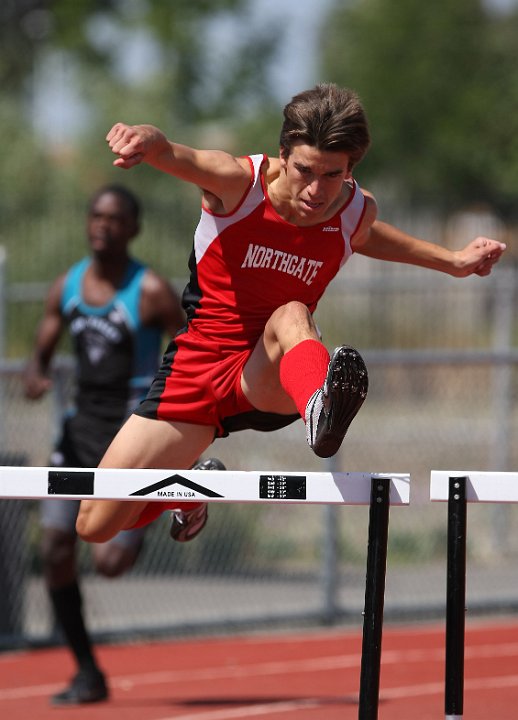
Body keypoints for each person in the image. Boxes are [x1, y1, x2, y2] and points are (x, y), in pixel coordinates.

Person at [75, 82, 506, 547]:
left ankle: (319, 406)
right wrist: (144, 138)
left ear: (350, 169)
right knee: (95, 524)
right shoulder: (237, 183)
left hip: (273, 376)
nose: (317, 190)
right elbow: (175, 153)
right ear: (284, 154)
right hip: (197, 370)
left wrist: (453, 261)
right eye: (305, 170)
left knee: (291, 313)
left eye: (333, 175)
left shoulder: (353, 211)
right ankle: (189, 490)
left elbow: (372, 237)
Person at [24, 185, 224, 705]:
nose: (102, 226)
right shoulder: (67, 286)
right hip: (76, 437)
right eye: (95, 216)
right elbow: (41, 350)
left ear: (132, 228)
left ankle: (175, 491)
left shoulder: (152, 291)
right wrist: (35, 375)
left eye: (114, 219)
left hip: (128, 442)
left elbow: (197, 348)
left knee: (110, 563)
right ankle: (88, 671)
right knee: (55, 552)